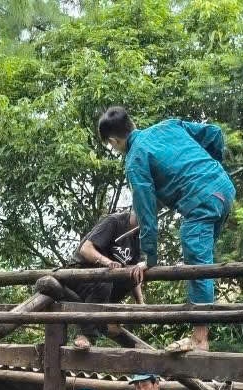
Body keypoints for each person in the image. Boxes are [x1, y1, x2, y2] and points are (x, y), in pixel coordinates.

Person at [97, 106, 235, 306]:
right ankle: (203, 328)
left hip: (201, 202)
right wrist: (213, 167)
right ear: (131, 123)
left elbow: (146, 215)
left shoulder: (135, 159)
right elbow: (214, 133)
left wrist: (150, 259)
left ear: (112, 141)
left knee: (198, 265)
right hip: (225, 189)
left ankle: (200, 336)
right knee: (204, 261)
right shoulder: (168, 126)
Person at [64, 209, 146, 349]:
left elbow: (134, 271)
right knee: (105, 280)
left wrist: (141, 302)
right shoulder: (114, 221)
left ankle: (106, 320)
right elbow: (85, 249)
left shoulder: (137, 236)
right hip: (81, 275)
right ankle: (86, 334)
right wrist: (106, 261)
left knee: (127, 276)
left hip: (105, 285)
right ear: (136, 207)